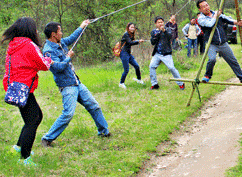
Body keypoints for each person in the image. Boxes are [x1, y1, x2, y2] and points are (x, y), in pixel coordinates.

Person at [41, 20, 111, 148]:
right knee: (68, 114)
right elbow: (57, 68)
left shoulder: (61, 42)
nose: (62, 33)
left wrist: (82, 26)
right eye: (60, 31)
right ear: (53, 34)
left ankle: (103, 132)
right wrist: (68, 57)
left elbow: (72, 38)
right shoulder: (48, 51)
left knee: (94, 106)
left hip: (76, 82)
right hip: (67, 86)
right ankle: (47, 138)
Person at [2, 17, 52, 166]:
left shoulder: (14, 44)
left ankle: (18, 147)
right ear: (30, 29)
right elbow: (42, 64)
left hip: (14, 86)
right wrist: (49, 60)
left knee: (35, 117)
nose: (37, 30)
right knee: (33, 119)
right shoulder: (29, 44)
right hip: (23, 87)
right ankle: (25, 158)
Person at [196, 0, 242, 84]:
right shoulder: (201, 18)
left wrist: (237, 22)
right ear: (200, 9)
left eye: (207, 5)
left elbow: (227, 19)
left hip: (223, 43)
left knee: (233, 61)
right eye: (203, 7)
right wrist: (216, 15)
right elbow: (210, 24)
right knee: (212, 59)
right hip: (212, 44)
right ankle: (207, 75)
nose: (206, 7)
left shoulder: (217, 14)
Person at [149, 16, 184, 90]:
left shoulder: (168, 29)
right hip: (157, 53)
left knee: (171, 68)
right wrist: (156, 35)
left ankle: (181, 83)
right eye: (159, 22)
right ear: (155, 23)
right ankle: (154, 84)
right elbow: (152, 42)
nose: (160, 23)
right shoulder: (153, 31)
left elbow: (169, 36)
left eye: (162, 22)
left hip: (166, 53)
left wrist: (163, 30)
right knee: (151, 66)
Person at [119, 23, 145, 89]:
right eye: (131, 27)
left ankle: (139, 80)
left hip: (128, 53)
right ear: (128, 27)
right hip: (124, 53)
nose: (132, 29)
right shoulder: (126, 34)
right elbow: (130, 42)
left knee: (136, 66)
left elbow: (132, 41)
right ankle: (121, 83)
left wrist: (138, 41)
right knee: (126, 69)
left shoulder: (131, 35)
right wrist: (138, 41)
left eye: (133, 27)